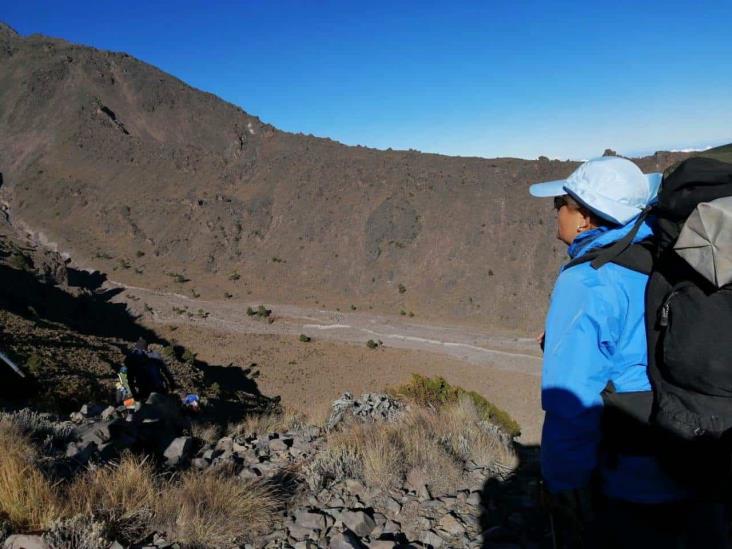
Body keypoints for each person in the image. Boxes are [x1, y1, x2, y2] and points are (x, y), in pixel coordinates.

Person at [530, 157, 728, 548]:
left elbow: (570, 397)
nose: (556, 213)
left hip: (632, 472)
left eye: (561, 204)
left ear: (584, 217)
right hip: (696, 449)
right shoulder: (669, 253)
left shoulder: (588, 281)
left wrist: (563, 482)